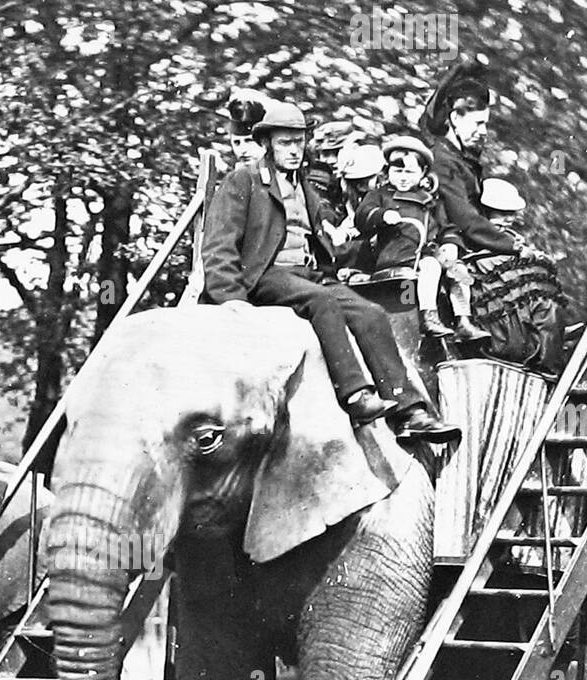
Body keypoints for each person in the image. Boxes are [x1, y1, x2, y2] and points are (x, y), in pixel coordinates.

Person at [201, 98, 457, 444]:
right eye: (285, 143)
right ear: (266, 143)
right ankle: (355, 395)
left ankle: (407, 411)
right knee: (322, 302)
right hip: (266, 274)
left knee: (370, 313)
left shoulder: (304, 186)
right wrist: (230, 299)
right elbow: (218, 245)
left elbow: (331, 243)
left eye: (299, 141)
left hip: (308, 274)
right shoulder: (243, 181)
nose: (294, 150)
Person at [354, 135, 489, 342]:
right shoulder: (382, 195)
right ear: (388, 171)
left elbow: (447, 227)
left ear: (423, 173)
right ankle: (429, 316)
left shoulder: (430, 201)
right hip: (397, 254)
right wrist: (382, 215)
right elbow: (362, 216)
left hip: (428, 253)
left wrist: (450, 243)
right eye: (397, 171)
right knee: (430, 267)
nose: (403, 177)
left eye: (409, 172)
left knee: (460, 271)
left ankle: (464, 320)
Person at [420, 60, 525, 258]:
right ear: (455, 119)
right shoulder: (442, 161)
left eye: (485, 124)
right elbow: (465, 220)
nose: (483, 131)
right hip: (446, 247)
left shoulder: (461, 160)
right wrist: (512, 245)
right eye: (478, 123)